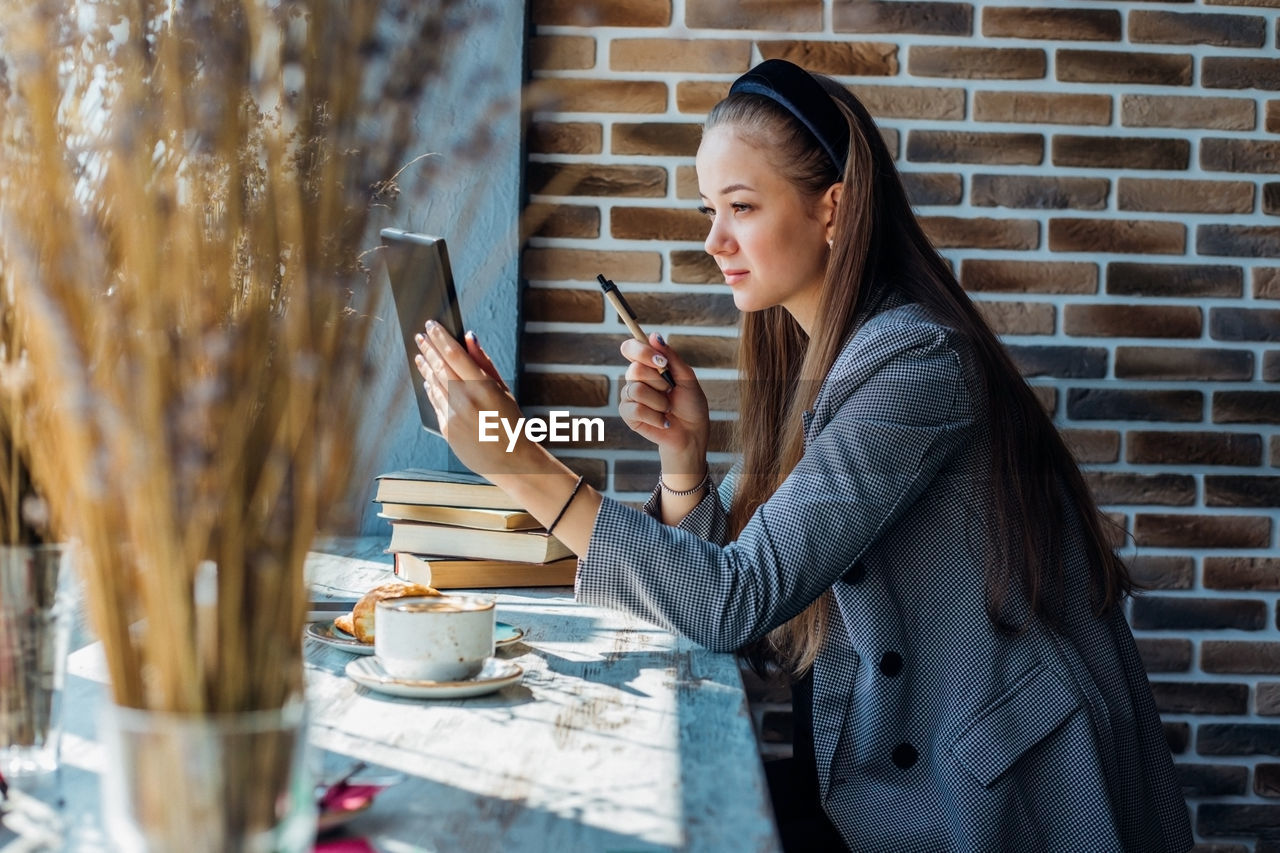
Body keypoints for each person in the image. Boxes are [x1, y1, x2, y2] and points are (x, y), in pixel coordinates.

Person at [413, 58, 1194, 852]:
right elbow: (760, 618)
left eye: (742, 207)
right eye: (709, 209)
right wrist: (684, 462)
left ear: (834, 208)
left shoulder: (915, 363)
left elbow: (735, 600)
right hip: (897, 786)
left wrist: (517, 459)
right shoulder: (835, 358)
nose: (714, 240)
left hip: (1008, 802)